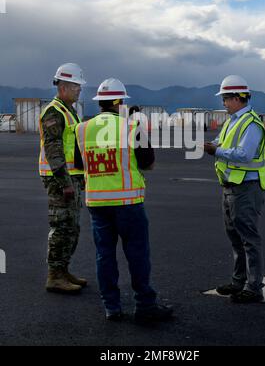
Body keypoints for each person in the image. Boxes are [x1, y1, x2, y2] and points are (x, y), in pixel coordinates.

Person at [75, 78, 173, 322]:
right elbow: (148, 163)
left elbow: (78, 165)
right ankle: (145, 306)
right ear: (120, 102)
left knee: (104, 255)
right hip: (128, 203)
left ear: (100, 103)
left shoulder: (82, 129)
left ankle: (111, 307)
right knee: (137, 254)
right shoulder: (131, 128)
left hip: (97, 204)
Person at [204, 75, 265, 303]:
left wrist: (216, 151)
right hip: (231, 187)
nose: (223, 103)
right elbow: (224, 142)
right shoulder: (233, 121)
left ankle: (254, 288)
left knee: (249, 239)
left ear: (238, 98)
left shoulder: (251, 123)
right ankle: (238, 281)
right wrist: (213, 145)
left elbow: (245, 154)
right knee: (235, 237)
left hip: (247, 188)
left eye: (225, 98)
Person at [39, 63, 87, 294]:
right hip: (59, 179)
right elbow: (53, 150)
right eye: (76, 86)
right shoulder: (54, 112)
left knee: (72, 227)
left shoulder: (69, 111)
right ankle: (54, 275)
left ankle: (63, 270)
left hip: (71, 177)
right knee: (61, 226)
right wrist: (65, 182)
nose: (79, 90)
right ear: (64, 86)